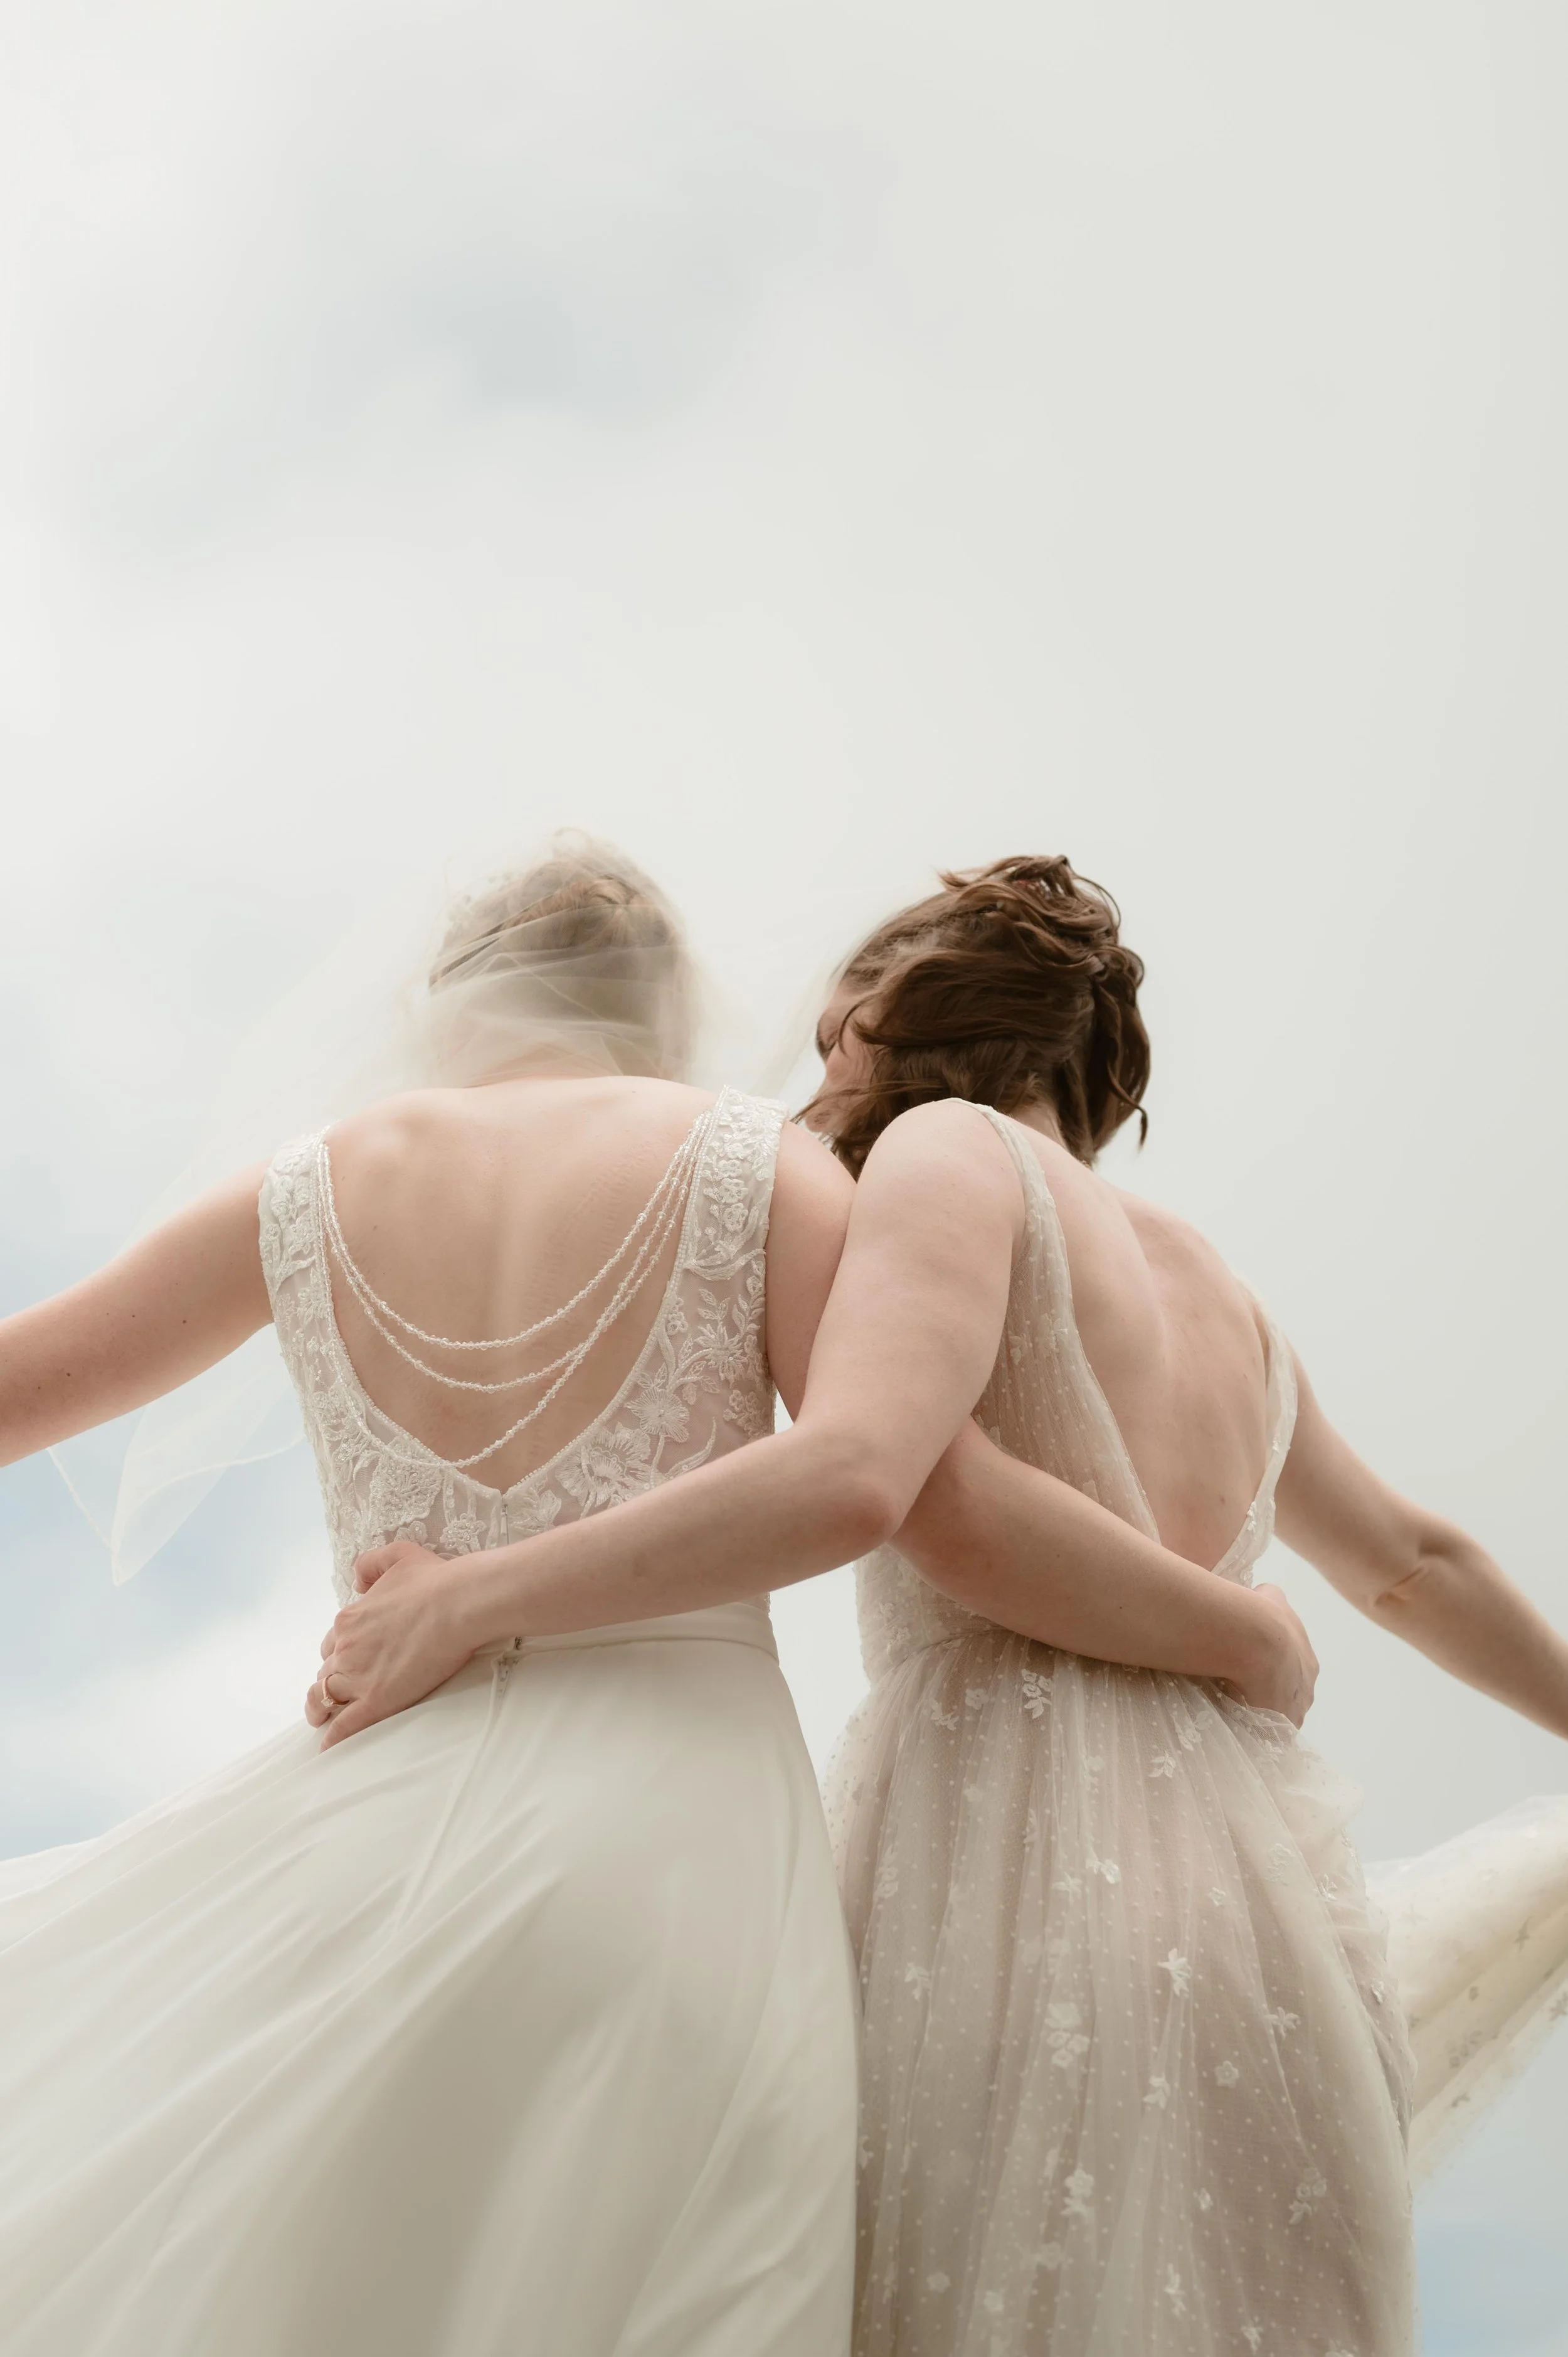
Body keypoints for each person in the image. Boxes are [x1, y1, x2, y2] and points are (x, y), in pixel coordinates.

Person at [0, 839, 1320, 2357]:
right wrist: (1237, 1629)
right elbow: (910, 1484)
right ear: (669, 1004)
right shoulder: (772, 1171)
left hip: (366, 1828)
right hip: (680, 1847)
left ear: (449, 999)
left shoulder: (302, 1191)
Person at [321, 856, 1568, 2357]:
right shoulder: (1224, 1297)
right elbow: (1411, 1563)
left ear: (892, 1005)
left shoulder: (949, 1157)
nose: (821, 1043)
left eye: (842, 1012)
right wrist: (1248, 1625)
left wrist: (473, 1599)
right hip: (1273, 1911)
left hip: (1012, 1862)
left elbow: (908, 1488)